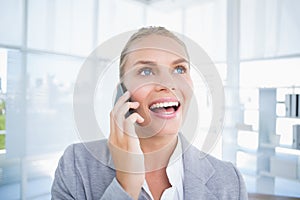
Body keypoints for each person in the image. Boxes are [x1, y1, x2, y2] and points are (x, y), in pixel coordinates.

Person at [51, 26, 248, 200]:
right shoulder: (76, 166)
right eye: (146, 71)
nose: (168, 84)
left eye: (179, 69)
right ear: (122, 93)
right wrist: (126, 185)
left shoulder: (230, 181)